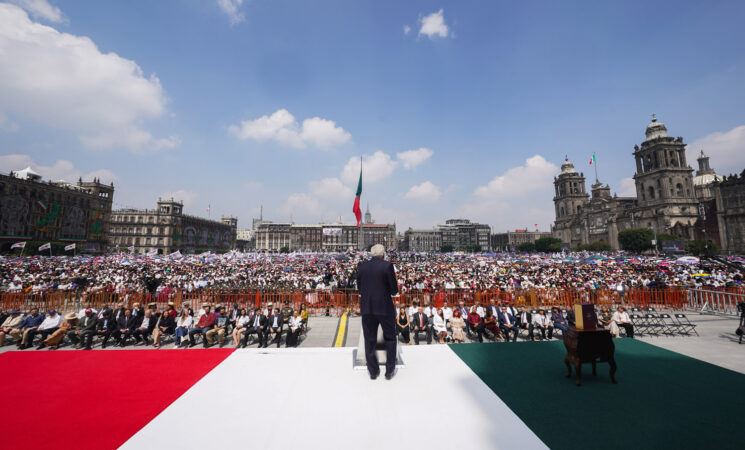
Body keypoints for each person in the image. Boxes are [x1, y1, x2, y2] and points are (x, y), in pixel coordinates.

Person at [357, 244, 398, 380]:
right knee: (390, 338)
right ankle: (389, 370)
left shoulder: (362, 267)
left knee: (369, 340)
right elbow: (394, 290)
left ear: (371, 254)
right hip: (384, 307)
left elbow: (359, 287)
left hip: (367, 307)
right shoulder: (387, 266)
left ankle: (373, 371)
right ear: (383, 254)